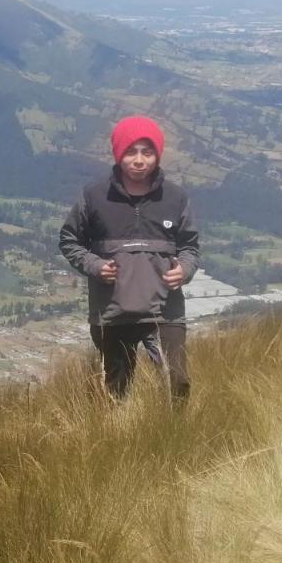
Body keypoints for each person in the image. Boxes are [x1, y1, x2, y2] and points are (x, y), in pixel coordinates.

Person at [59, 115, 199, 400]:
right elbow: (69, 240)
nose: (138, 160)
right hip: (113, 312)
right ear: (118, 154)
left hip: (164, 310)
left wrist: (184, 269)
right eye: (130, 152)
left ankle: (177, 436)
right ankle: (119, 438)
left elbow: (190, 247)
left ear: (157, 155)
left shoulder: (176, 198)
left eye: (147, 152)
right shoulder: (95, 196)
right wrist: (95, 266)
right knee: (115, 390)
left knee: (178, 383)